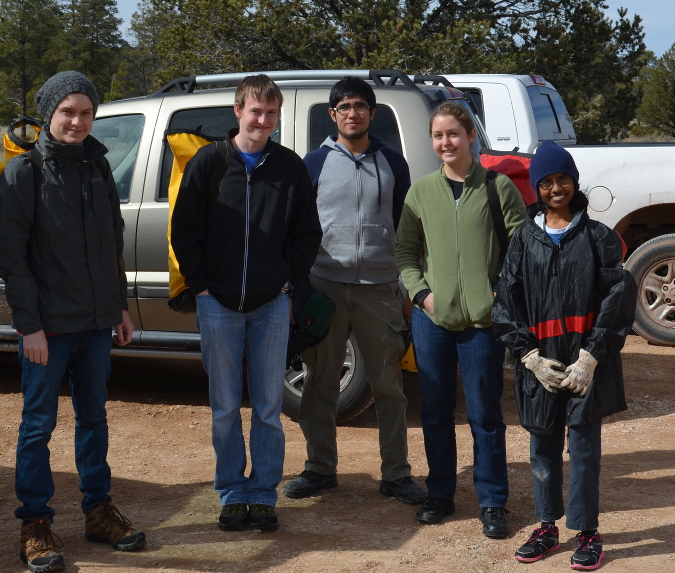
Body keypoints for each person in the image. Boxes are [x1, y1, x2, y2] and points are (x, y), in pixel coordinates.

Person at [0, 70, 143, 573]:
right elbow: (11, 258)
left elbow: (110, 245)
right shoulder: (23, 174)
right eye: (67, 112)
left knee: (93, 418)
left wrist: (118, 306)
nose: (76, 121)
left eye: (85, 113)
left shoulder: (99, 170)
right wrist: (28, 326)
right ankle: (34, 525)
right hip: (48, 328)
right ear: (48, 116)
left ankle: (98, 511)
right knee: (38, 424)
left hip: (97, 322)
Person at [170, 74, 321, 532]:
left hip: (271, 304)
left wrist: (288, 285)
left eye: (271, 113)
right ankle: (232, 492)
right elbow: (184, 229)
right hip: (217, 304)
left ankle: (263, 493)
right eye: (256, 111)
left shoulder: (289, 167)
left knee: (269, 407)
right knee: (224, 406)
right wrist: (199, 286)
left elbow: (306, 234)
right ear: (237, 111)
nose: (263, 120)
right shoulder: (209, 162)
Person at [492, 140, 635, 571]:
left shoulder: (597, 238)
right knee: (543, 445)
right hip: (543, 364)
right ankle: (547, 527)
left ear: (575, 182)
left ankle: (588, 532)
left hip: (584, 364)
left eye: (563, 179)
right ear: (537, 188)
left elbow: (617, 297)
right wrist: (530, 358)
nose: (556, 188)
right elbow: (506, 302)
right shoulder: (524, 238)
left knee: (585, 448)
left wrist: (591, 357)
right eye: (547, 182)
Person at [285, 77, 426, 506]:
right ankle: (319, 469)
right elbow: (299, 231)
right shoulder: (313, 164)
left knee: (388, 387)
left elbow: (406, 229)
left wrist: (406, 286)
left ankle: (397, 474)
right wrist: (298, 289)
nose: (352, 113)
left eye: (360, 106)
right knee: (320, 384)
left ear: (372, 113)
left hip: (379, 288)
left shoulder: (393, 164)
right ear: (332, 115)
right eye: (344, 106)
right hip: (325, 287)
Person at [395, 102, 526, 538]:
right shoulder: (421, 192)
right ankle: (440, 493)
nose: (446, 143)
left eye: (453, 134)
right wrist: (422, 295)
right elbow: (404, 253)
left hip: (483, 324)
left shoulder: (498, 186)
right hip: (432, 321)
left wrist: (498, 292)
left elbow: (520, 251)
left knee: (486, 414)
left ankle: (492, 501)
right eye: (438, 136)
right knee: (434, 411)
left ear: (471, 135)